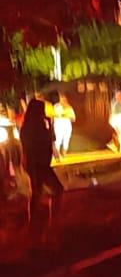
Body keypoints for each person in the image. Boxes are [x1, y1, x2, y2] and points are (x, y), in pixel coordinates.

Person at [19, 92, 63, 239]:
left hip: (37, 164)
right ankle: (52, 223)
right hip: (38, 164)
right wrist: (49, 128)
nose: (44, 113)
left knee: (37, 192)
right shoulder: (33, 128)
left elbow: (50, 140)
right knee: (57, 190)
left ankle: (34, 223)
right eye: (42, 110)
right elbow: (39, 144)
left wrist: (50, 126)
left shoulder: (30, 126)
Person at [51, 92, 76, 158]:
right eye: (62, 98)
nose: (63, 99)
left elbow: (73, 118)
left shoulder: (69, 107)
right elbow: (52, 117)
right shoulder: (56, 106)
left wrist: (67, 116)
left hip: (67, 126)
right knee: (58, 140)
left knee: (66, 140)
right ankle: (57, 155)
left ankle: (64, 154)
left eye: (64, 98)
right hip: (58, 126)